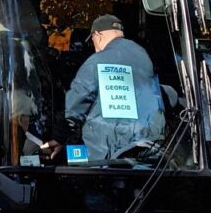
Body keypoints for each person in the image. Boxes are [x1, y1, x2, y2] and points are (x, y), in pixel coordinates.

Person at [64, 14, 165, 162]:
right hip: (148, 153)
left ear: (97, 36)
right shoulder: (145, 57)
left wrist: (61, 135)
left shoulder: (96, 61)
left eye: (92, 41)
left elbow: (77, 101)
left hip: (106, 155)